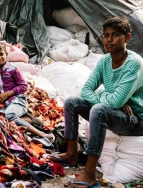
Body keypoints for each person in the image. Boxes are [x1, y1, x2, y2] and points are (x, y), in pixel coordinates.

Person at [50, 16, 143, 188]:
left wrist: (113, 99)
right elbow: (86, 90)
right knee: (71, 101)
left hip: (135, 120)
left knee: (99, 110)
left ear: (127, 38)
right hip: (117, 112)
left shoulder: (134, 63)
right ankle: (71, 153)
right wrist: (111, 97)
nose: (109, 39)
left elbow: (114, 102)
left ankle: (90, 173)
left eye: (115, 35)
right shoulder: (104, 61)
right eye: (106, 35)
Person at [0, 41, 54, 143]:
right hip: (5, 104)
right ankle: (29, 120)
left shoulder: (13, 69)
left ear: (6, 54)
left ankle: (43, 135)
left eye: (1, 54)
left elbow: (24, 86)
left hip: (18, 100)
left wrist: (8, 94)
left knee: (9, 116)